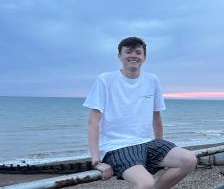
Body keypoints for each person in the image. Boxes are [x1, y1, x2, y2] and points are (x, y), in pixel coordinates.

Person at [83, 36, 197, 189]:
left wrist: (160, 144)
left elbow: (156, 117)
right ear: (119, 56)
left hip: (146, 142)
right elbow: (93, 123)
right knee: (146, 183)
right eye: (128, 52)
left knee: (189, 159)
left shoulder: (152, 80)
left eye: (138, 52)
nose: (133, 56)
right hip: (116, 146)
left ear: (144, 57)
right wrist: (97, 161)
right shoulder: (105, 80)